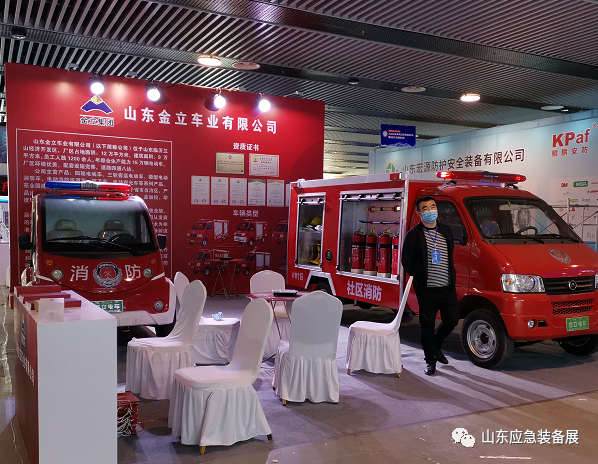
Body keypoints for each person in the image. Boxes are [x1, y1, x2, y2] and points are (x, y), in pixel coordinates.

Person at [401, 196, 459, 376]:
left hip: (447, 287)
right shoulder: (414, 234)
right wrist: (419, 276)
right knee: (427, 326)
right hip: (427, 290)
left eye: (433, 206)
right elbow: (406, 261)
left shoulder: (446, 231)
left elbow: (450, 255)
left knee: (452, 320)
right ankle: (430, 361)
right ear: (419, 213)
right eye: (425, 208)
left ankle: (435, 346)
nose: (430, 211)